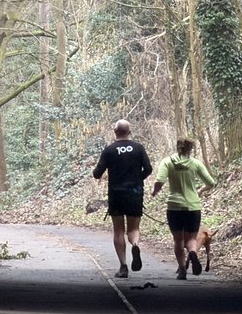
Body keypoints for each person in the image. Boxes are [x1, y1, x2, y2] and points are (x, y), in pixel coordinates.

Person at [92, 120, 153, 278]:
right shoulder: (138, 148)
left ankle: (123, 266)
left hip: (116, 193)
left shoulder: (109, 150)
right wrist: (137, 179)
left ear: (115, 131)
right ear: (129, 132)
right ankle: (135, 244)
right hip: (135, 192)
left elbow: (97, 173)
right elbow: (149, 169)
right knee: (133, 229)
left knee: (118, 230)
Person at [151, 137, 216, 279]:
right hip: (193, 206)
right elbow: (211, 182)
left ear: (177, 147)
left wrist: (154, 192)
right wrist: (199, 191)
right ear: (190, 149)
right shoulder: (195, 164)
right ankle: (192, 252)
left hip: (174, 206)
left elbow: (160, 181)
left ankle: (182, 270)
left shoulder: (167, 162)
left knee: (178, 240)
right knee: (191, 239)